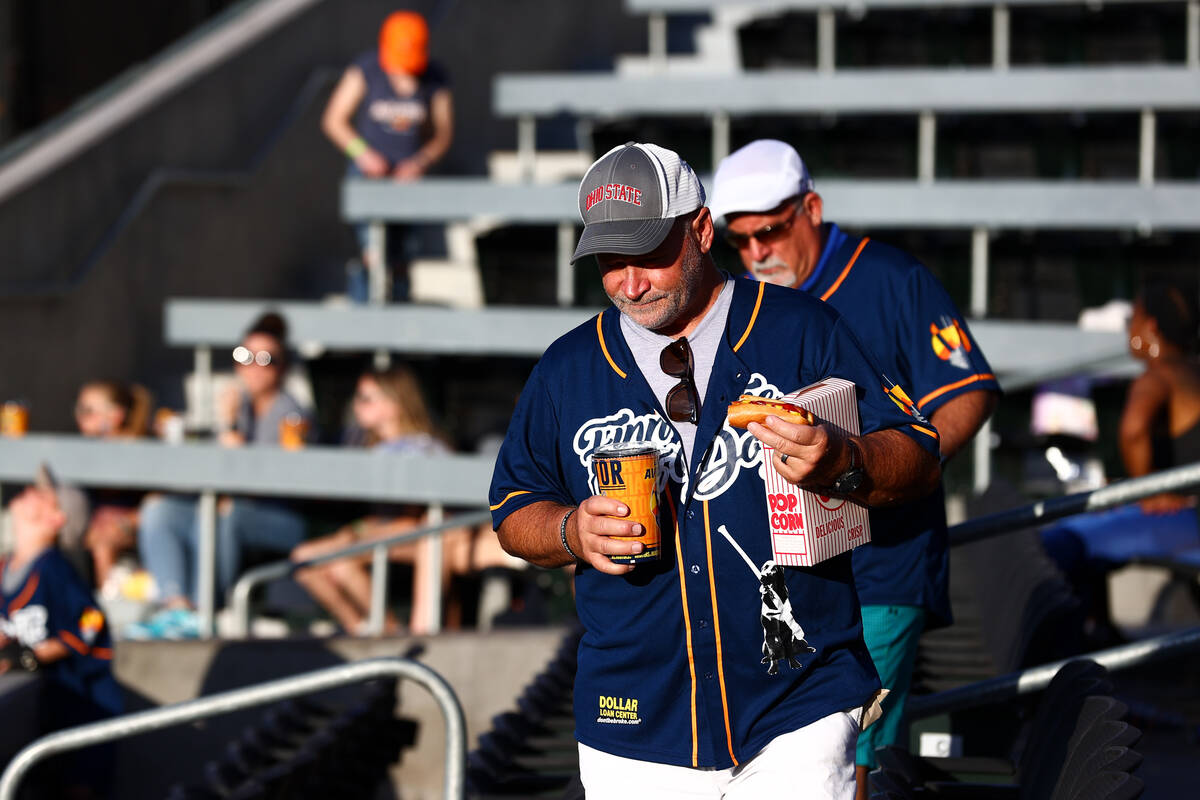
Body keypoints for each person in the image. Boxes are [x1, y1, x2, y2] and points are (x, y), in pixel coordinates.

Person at [489, 142, 943, 799]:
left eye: (648, 254)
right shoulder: (567, 367)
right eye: (610, 262)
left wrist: (844, 459)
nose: (630, 282)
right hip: (634, 718)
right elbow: (512, 508)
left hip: (798, 701)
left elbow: (918, 453)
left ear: (701, 229)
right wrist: (569, 532)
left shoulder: (800, 329)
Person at [708, 139, 1000, 795]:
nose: (756, 252)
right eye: (741, 240)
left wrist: (899, 470)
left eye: (770, 232)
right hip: (775, 573)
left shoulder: (892, 280)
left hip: (881, 564)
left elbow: (968, 392)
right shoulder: (742, 302)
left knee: (851, 757)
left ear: (810, 207)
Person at [131, 312, 314, 639]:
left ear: (283, 367)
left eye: (265, 359)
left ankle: (205, 610)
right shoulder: (238, 403)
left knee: (221, 514)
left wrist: (229, 427)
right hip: (231, 504)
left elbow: (266, 479)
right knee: (160, 509)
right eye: (244, 356)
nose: (253, 366)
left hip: (280, 516)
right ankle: (176, 608)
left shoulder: (291, 412)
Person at [293, 365, 473, 635]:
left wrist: (359, 533)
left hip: (427, 538)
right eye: (357, 397)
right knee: (303, 560)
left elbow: (424, 520)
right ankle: (362, 629)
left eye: (367, 398)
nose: (357, 405)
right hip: (380, 533)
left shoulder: (423, 449)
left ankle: (388, 633)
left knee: (340, 563)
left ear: (394, 403)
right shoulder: (365, 444)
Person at [1, 465, 122, 798]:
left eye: (42, 496)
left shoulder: (54, 568)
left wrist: (31, 654)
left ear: (56, 519)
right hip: (41, 708)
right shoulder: (6, 566)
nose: (27, 493)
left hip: (84, 705)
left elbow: (91, 622)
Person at [322, 10, 453, 302]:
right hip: (368, 176)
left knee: (403, 257)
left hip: (407, 178)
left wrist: (419, 163)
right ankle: (363, 327)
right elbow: (333, 120)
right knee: (371, 253)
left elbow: (441, 134)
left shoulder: (434, 77)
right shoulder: (366, 69)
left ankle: (399, 323)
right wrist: (363, 154)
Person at [1119, 280, 1200, 511]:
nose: (1129, 329)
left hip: (1183, 517)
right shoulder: (1192, 370)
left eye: (1132, 319)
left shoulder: (1158, 377)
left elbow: (1133, 431)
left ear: (1151, 326)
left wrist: (1148, 494)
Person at [74, 380, 153, 591]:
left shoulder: (138, 447)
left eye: (88, 410)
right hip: (97, 525)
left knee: (103, 540)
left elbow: (158, 500)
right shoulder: (86, 451)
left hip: (134, 524)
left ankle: (108, 608)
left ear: (115, 415)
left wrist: (128, 522)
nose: (79, 416)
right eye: (79, 409)